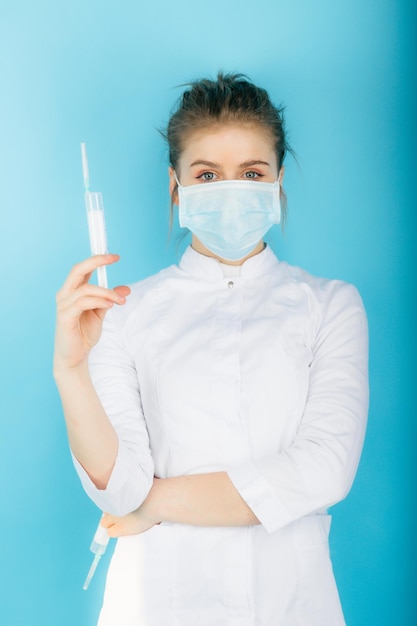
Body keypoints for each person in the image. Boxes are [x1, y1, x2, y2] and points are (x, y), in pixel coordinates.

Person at [54, 72, 369, 626]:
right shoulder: (123, 314)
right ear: (176, 188)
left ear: (278, 183)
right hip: (156, 604)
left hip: (292, 604)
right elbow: (119, 488)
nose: (231, 189)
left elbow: (324, 470)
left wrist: (151, 504)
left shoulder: (330, 306)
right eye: (207, 174)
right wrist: (72, 369)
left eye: (251, 172)